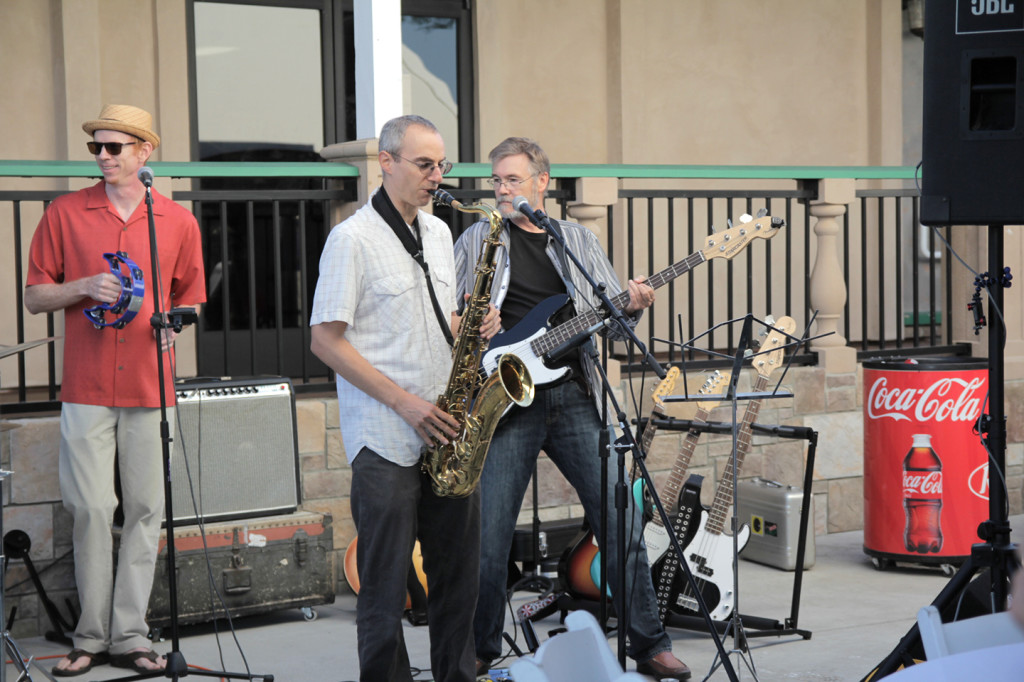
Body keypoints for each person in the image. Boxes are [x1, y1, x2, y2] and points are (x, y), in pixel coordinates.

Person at [453, 137, 692, 680]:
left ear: (542, 181)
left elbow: (612, 319)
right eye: (496, 180)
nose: (502, 189)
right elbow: (455, 316)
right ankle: (479, 650)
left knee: (620, 520)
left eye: (512, 179)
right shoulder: (478, 239)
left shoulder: (576, 240)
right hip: (503, 399)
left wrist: (631, 303)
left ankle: (649, 644)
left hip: (573, 394)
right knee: (488, 537)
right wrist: (474, 321)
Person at [310, 115, 499, 682]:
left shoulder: (441, 233)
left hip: (447, 430)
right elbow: (324, 339)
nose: (436, 176)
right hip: (388, 434)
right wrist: (406, 403)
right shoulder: (351, 239)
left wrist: (474, 322)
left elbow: (429, 320)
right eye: (425, 164)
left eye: (442, 164)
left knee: (457, 579)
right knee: (386, 586)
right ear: (386, 162)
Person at [24, 104, 206, 676]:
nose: (103, 157)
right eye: (97, 148)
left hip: (153, 386)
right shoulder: (65, 212)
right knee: (90, 510)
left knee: (148, 510)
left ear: (144, 152)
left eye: (114, 147)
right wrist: (80, 287)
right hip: (86, 385)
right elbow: (34, 295)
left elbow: (191, 298)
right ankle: (90, 636)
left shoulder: (176, 220)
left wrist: (175, 320)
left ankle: (130, 635)